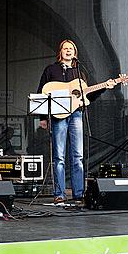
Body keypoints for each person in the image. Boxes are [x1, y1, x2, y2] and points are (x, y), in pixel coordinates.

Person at [38, 39, 115, 204]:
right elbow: (41, 93)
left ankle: (79, 194)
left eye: (71, 49)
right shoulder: (51, 70)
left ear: (75, 53)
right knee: (59, 156)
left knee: (77, 156)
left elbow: (87, 97)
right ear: (60, 52)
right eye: (65, 48)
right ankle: (59, 194)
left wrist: (104, 87)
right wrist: (43, 118)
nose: (68, 51)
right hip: (58, 116)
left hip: (76, 115)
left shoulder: (79, 72)